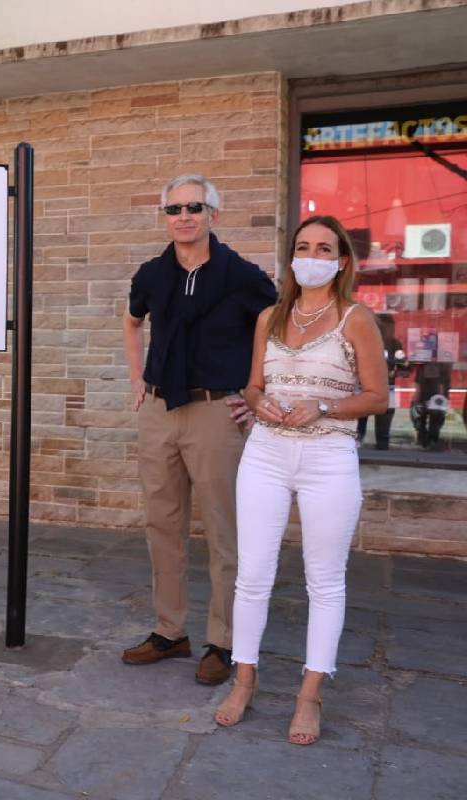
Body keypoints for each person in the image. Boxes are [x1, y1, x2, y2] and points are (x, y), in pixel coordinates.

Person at [215, 215, 387, 745]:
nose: (310, 255)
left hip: (328, 458)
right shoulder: (269, 316)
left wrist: (324, 405)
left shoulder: (356, 319)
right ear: (292, 256)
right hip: (266, 453)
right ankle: (245, 680)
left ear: (340, 262)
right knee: (253, 575)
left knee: (325, 581)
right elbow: (252, 385)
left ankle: (309, 695)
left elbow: (378, 398)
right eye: (302, 246)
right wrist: (257, 401)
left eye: (323, 248)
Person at [121, 174, 277, 685]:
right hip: (161, 409)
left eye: (194, 206)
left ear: (214, 213)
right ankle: (170, 631)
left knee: (222, 528)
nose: (184, 216)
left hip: (216, 412)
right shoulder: (151, 274)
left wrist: (255, 396)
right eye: (174, 209)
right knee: (162, 524)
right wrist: (137, 376)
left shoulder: (244, 278)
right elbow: (131, 321)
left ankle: (224, 640)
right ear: (165, 217)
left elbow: (274, 338)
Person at [355, 314, 405, 449]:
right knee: (359, 424)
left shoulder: (395, 344)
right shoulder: (365, 341)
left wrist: (399, 367)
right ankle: (356, 446)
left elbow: (404, 366)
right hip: (364, 388)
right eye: (386, 327)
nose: (389, 330)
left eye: (391, 327)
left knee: (384, 425)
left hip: (388, 387)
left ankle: (382, 447)